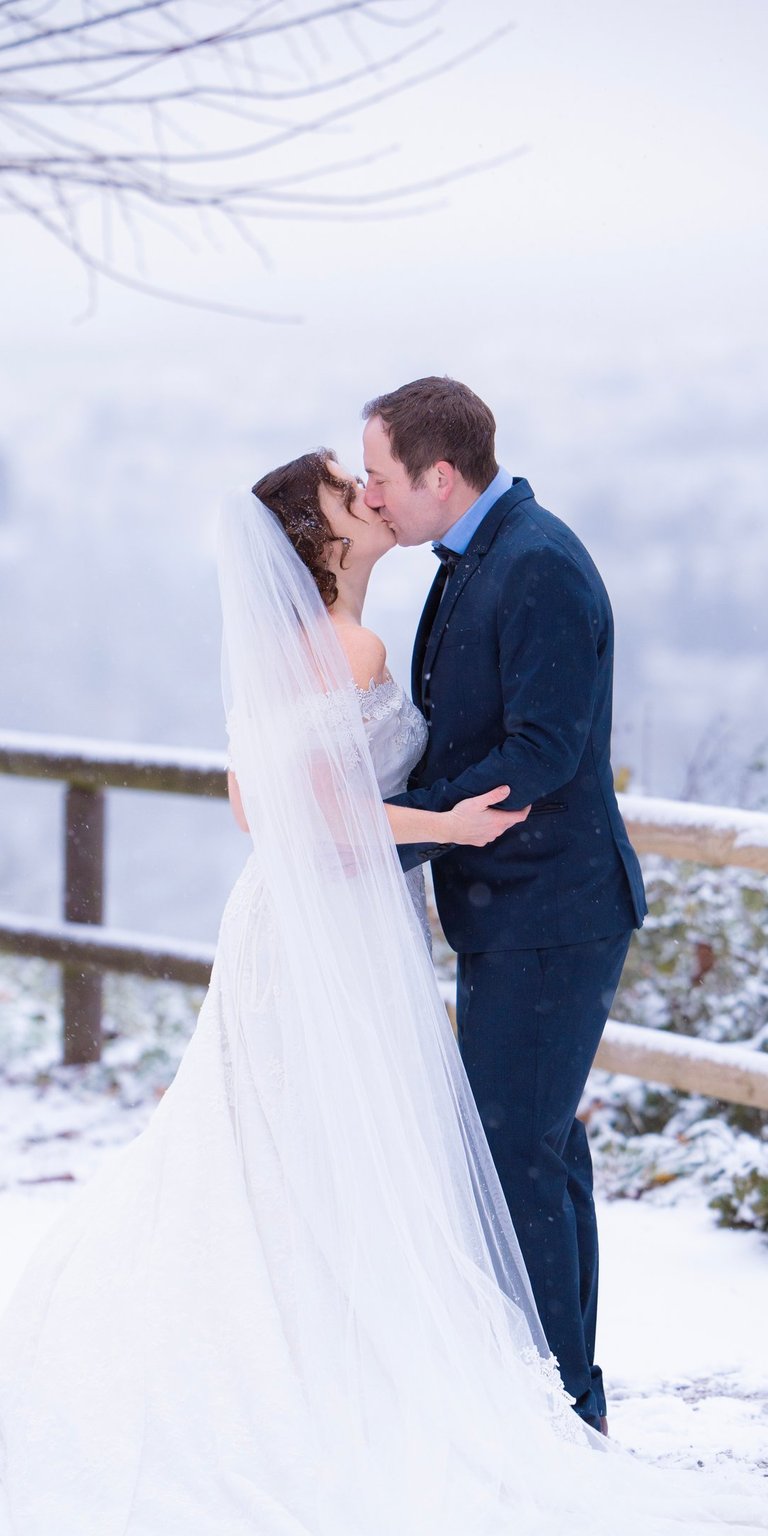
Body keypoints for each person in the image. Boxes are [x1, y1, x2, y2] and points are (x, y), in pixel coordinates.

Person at [0, 453, 762, 1536]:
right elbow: (294, 809)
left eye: (368, 476)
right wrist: (444, 827)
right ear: (318, 539)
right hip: (338, 920)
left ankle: (317, 1353)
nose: (365, 495)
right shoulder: (344, 647)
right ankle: (338, 1377)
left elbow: (252, 806)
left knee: (301, 1147)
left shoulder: (290, 649)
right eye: (341, 490)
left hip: (305, 918)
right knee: (334, 1144)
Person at [362, 376, 647, 1434]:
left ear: (441, 476)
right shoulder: (484, 555)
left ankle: (559, 1413)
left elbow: (540, 752)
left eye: (385, 476)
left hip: (552, 914)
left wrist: (382, 826)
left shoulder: (535, 565)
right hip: (515, 911)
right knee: (540, 1152)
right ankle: (570, 1398)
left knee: (510, 1155)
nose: (376, 496)